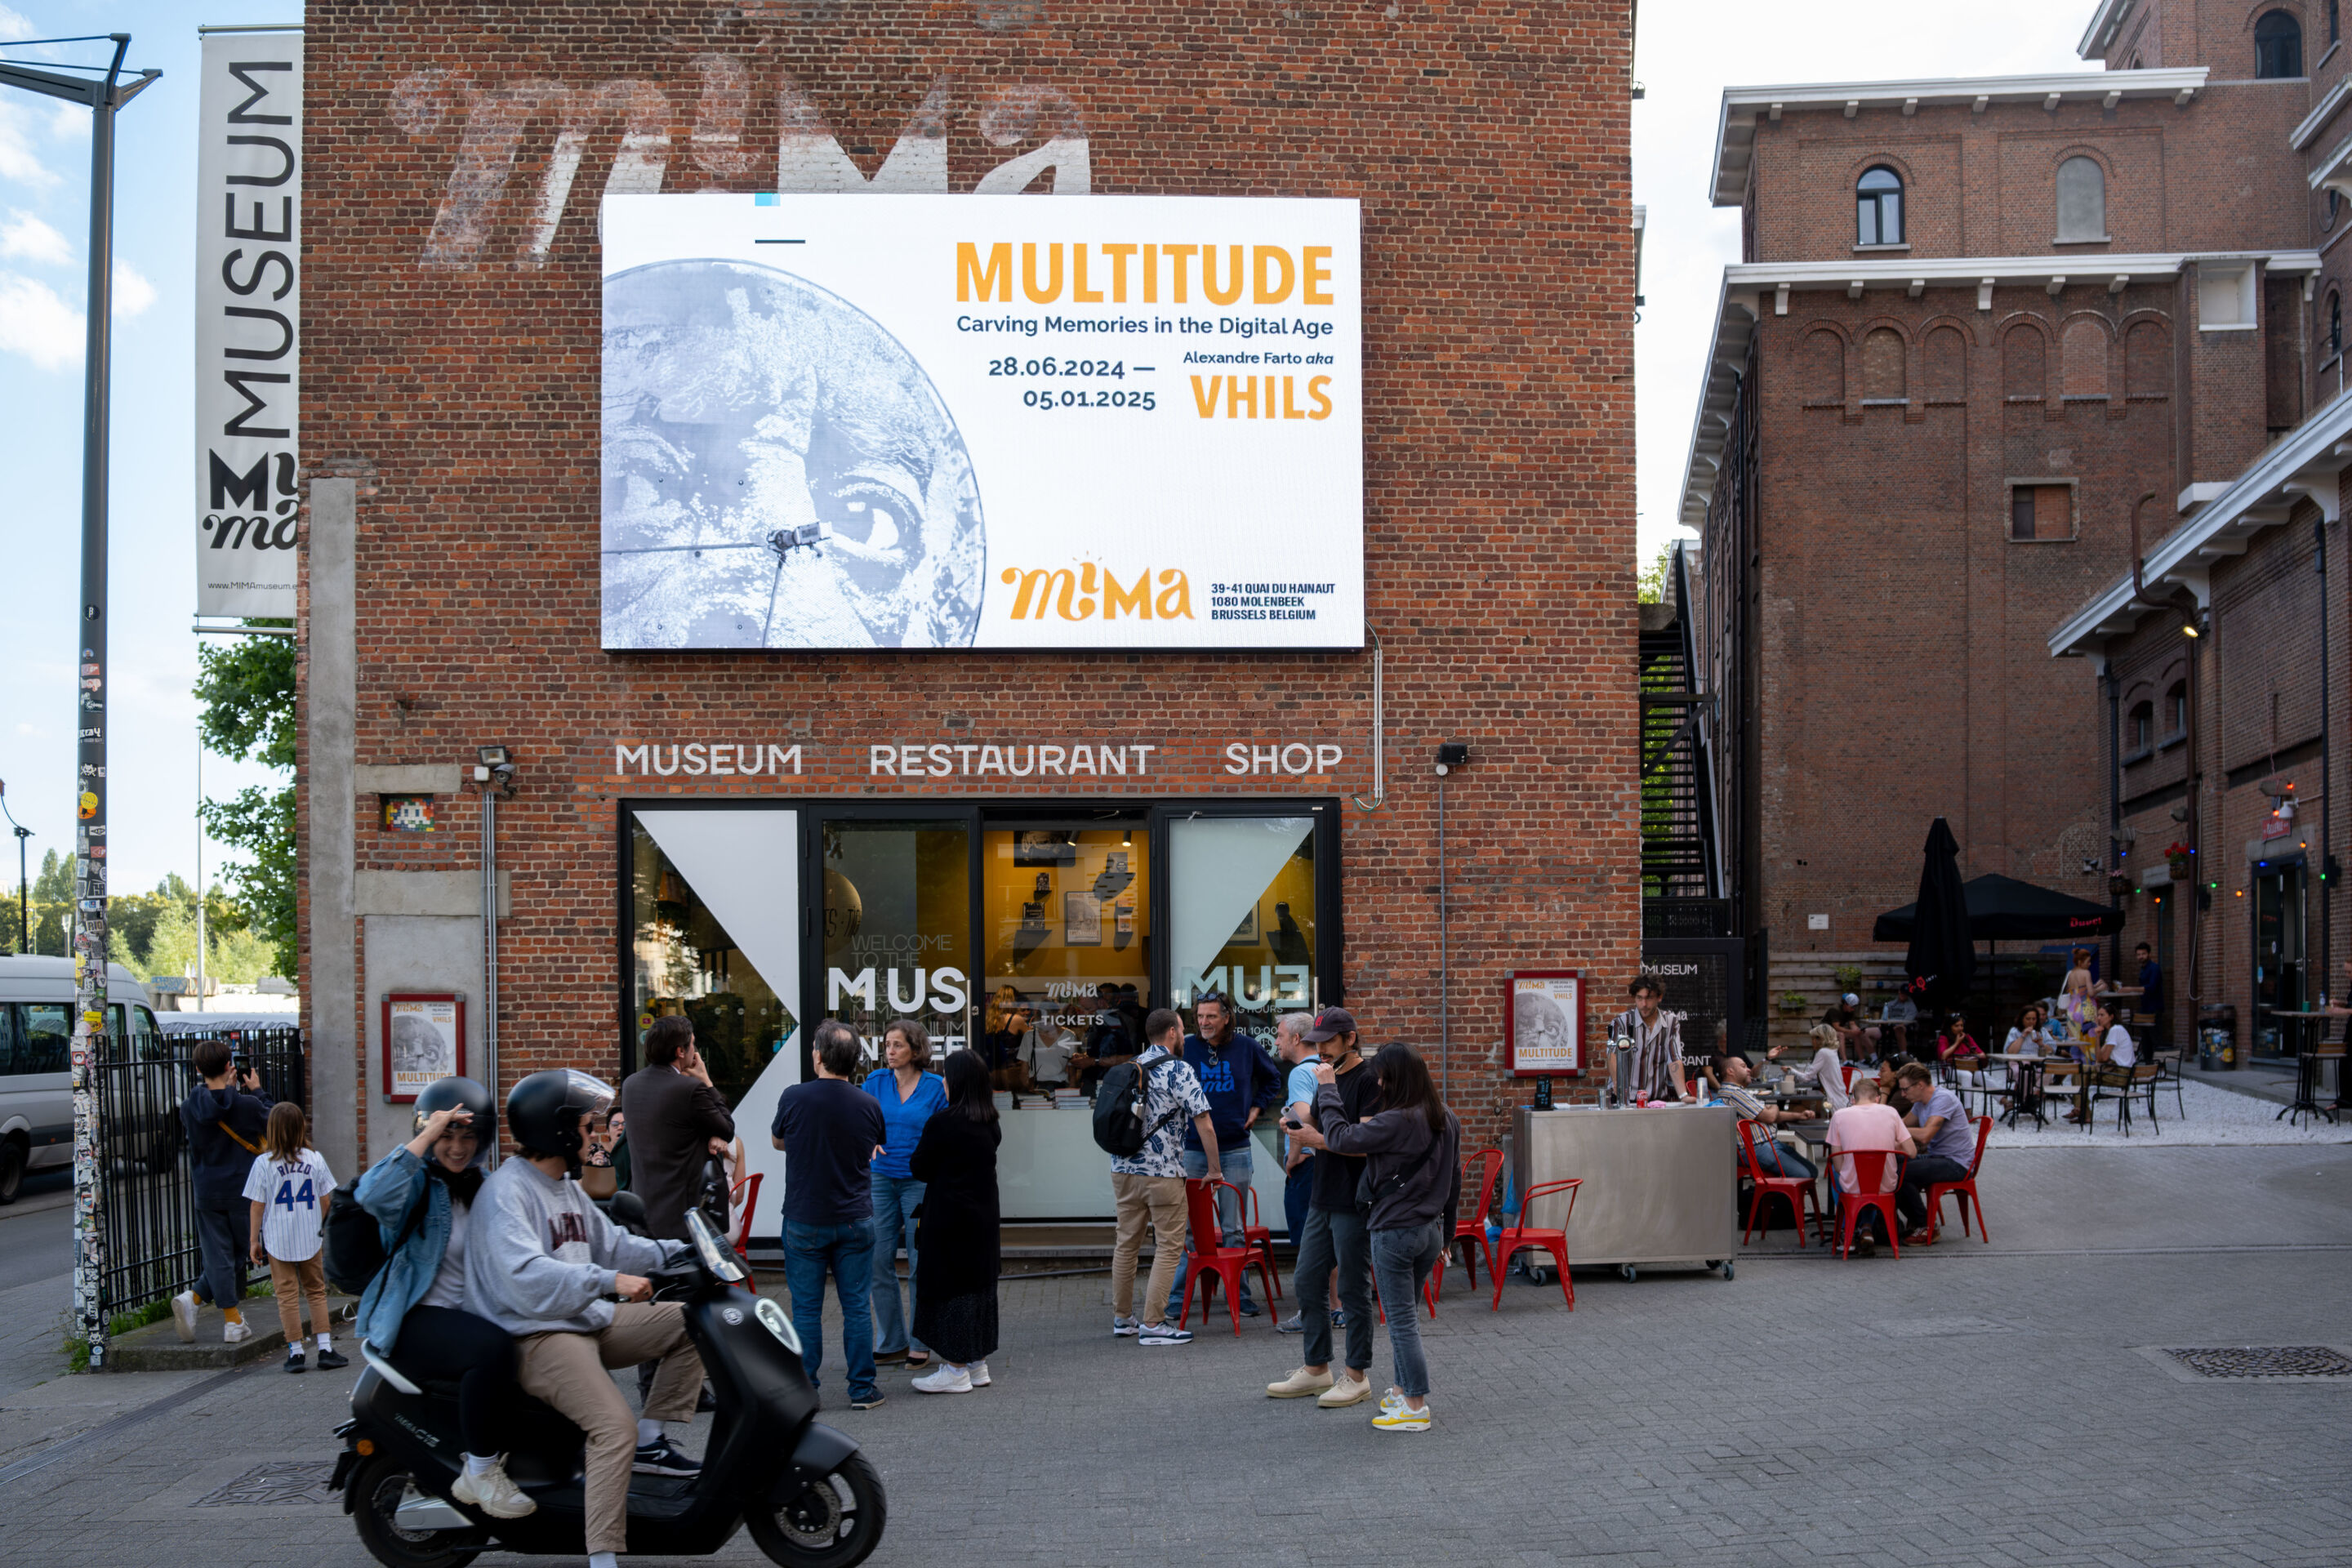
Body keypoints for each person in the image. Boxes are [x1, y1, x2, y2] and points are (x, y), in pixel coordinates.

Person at [470, 1069, 706, 1568]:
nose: (593, 1134)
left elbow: (613, 1243)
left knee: (693, 1321)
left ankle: (652, 1441)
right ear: (556, 1131)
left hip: (585, 1319)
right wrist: (609, 1281)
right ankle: (602, 1556)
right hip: (541, 1334)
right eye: (585, 1125)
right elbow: (527, 1276)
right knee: (612, 1427)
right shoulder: (507, 1192)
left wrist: (683, 1250)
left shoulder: (565, 1186)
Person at [353, 1076, 534, 1521]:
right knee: (492, 1349)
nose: (457, 1148)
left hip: (467, 1317)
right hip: (414, 1319)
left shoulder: (485, 1184)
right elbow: (370, 1195)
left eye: (467, 1136)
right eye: (446, 1136)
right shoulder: (416, 1185)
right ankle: (481, 1470)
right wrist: (425, 1134)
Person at [1282, 1044, 1461, 1432]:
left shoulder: (1395, 1119)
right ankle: (1401, 1391)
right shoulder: (1445, 1116)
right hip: (1429, 1232)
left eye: (1382, 1078)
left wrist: (1328, 1088)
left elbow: (1342, 1138)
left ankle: (1414, 1407)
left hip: (1395, 1230)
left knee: (1401, 1322)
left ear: (1397, 1079)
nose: (1378, 1084)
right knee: (1407, 1317)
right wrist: (1447, 1235)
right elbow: (1454, 1179)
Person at [1264, 1007, 1380, 1406]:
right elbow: (1314, 1121)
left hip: (1353, 1198)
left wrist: (1316, 1140)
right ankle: (1317, 1368)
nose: (1321, 1049)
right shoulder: (1326, 1075)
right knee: (1307, 1280)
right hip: (1322, 1195)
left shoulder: (1369, 1079)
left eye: (1329, 1041)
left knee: (1352, 1288)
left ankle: (1357, 1375)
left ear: (1350, 1039)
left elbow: (1364, 1141)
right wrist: (1295, 1128)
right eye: (1317, 1042)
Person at [772, 1019, 889, 1409]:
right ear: (855, 1061)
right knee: (856, 1307)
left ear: (818, 1056)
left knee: (806, 1309)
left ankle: (806, 1389)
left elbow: (777, 1141)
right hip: (855, 1218)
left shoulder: (794, 1097)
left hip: (804, 1218)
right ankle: (862, 1389)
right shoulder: (869, 1103)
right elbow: (874, 1145)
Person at [1164, 991, 1283, 1322]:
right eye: (1200, 1016)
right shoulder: (1186, 1047)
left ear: (1227, 1017)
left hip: (1235, 1147)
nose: (1204, 1022)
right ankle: (1177, 1299)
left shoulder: (1247, 1047)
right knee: (1189, 1230)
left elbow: (1273, 1078)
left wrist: (1257, 1107)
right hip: (1192, 1148)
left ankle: (1240, 1296)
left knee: (1234, 1229)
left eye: (1211, 1016)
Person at [1107, 1007, 1218, 1348]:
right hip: (1163, 1172)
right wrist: (1214, 1169)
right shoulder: (1178, 1069)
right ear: (1172, 1032)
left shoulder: (1131, 1066)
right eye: (1182, 1030)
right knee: (1169, 1245)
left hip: (1123, 1169)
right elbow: (1204, 1122)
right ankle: (1154, 1324)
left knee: (1126, 1243)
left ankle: (1123, 1319)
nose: (1184, 1036)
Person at [907, 1049, 1001, 1395]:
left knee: (951, 1289)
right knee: (979, 1287)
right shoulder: (990, 1121)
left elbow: (919, 1167)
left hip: (949, 1219)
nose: (943, 1081)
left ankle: (955, 1369)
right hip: (983, 1216)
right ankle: (977, 1364)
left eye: (947, 1076)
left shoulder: (943, 1123)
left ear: (958, 1082)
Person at [862, 1019, 947, 1371]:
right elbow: (860, 1121)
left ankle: (920, 1342)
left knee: (920, 1262)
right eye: (887, 1045)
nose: (890, 1051)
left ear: (916, 1048)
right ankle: (892, 1341)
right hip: (880, 1180)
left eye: (897, 1045)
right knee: (876, 1259)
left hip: (920, 1183)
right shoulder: (874, 1082)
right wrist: (866, 1141)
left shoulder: (935, 1087)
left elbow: (946, 1132)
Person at [172, 1040, 270, 1344]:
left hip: (207, 1191)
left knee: (219, 1255)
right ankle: (231, 1320)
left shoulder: (189, 1107)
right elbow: (276, 1120)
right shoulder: (248, 1106)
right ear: (230, 1066)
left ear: (198, 1069)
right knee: (240, 1253)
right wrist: (257, 1090)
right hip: (242, 1191)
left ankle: (195, 1299)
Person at [243, 1101, 344, 1374]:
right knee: (316, 1290)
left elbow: (257, 1205)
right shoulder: (315, 1159)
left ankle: (296, 1352)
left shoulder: (263, 1164)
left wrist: (254, 1240)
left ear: (272, 1130)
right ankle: (325, 1348)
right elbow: (326, 1200)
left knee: (286, 1295)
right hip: (310, 1235)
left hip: (279, 1239)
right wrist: (325, 1226)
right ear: (301, 1127)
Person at [619, 1015, 736, 1241]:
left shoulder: (631, 1084)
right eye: (692, 1044)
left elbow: (671, 1128)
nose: (695, 1051)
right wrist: (706, 1081)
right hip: (683, 1219)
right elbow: (727, 1128)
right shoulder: (689, 1089)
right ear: (680, 1051)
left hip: (645, 1211)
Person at [1824, 1074, 1915, 1256]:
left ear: (1853, 1099)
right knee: (1870, 1178)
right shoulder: (1891, 1113)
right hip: (1886, 1185)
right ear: (1878, 1098)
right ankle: (1866, 1228)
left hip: (1853, 1187)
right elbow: (1912, 1152)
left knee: (1836, 1173)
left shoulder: (1839, 1116)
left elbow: (1839, 1165)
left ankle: (1846, 1231)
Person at [1270, 1010, 1321, 1334]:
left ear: (1296, 1039)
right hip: (1328, 1162)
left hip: (1308, 1165)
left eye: (1280, 1036)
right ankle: (1334, 1308)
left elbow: (1301, 1118)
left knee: (1308, 1243)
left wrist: (1293, 1157)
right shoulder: (1327, 1067)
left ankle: (1310, 1311)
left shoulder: (1300, 1073)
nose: (1276, 1042)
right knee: (1326, 1241)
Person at [1893, 1062, 1974, 1244]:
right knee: (1890, 1167)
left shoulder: (1942, 1099)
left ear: (1920, 1085)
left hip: (1957, 1164)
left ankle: (1925, 1225)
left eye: (1905, 1089)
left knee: (1898, 1173)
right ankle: (1910, 1220)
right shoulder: (1920, 1102)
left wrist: (1897, 1131)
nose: (1903, 1094)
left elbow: (1925, 1136)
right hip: (1939, 1157)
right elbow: (1903, 1123)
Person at [1714, 1051, 1816, 1180]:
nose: (1748, 1069)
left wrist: (1799, 1115)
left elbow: (1770, 1115)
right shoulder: (1733, 1093)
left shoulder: (1737, 1092)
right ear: (1730, 1071)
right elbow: (1770, 1117)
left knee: (1812, 1171)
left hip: (1766, 1145)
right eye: (1743, 1066)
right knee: (1804, 1175)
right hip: (1755, 1149)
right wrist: (1774, 1105)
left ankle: (1775, 1193)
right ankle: (1772, 1194)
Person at [1609, 973, 1687, 1101]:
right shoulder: (1623, 1022)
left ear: (1659, 997)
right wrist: (1618, 1085)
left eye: (1649, 998)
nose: (1643, 1004)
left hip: (1657, 1100)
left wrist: (1683, 1095)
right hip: (1626, 1099)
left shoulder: (1670, 1022)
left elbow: (1674, 1059)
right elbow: (1613, 1055)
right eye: (1639, 998)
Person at [2071, 999, 2138, 1125]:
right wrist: (2097, 1037)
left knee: (2080, 1072)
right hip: (2118, 1072)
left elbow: (2103, 1058)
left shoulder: (2115, 1030)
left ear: (2111, 1017)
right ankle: (2082, 1112)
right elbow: (2099, 1058)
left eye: (2102, 1015)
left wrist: (2097, 1039)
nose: (2099, 1018)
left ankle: (2081, 1111)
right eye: (2098, 1015)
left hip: (2120, 1075)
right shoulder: (2113, 1031)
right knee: (2079, 1071)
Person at [1018, 1010, 1084, 1094]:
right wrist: (1029, 1087)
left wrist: (1071, 1090)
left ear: (1056, 1018)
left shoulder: (1068, 1036)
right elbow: (1024, 1071)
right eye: (1043, 1019)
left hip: (1060, 1086)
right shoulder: (1029, 1036)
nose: (1046, 1023)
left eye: (1049, 1020)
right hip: (1036, 1087)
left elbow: (1072, 1069)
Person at [1800, 1022, 1850, 1111]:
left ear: (1820, 1039)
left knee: (1797, 1103)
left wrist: (1790, 1070)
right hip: (1841, 1100)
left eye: (1813, 1039)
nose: (1812, 1042)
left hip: (1832, 1102)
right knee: (1798, 1104)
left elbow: (1806, 1078)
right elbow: (1815, 1075)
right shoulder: (1832, 1051)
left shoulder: (1823, 1053)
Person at [2059, 946, 2098, 1037]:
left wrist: (2096, 986)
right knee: (2089, 1038)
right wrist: (2100, 988)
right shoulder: (2086, 973)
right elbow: (2091, 993)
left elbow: (2076, 991)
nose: (2090, 964)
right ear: (2080, 962)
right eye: (2088, 961)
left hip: (2072, 1009)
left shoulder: (2070, 974)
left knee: (2075, 1038)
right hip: (2086, 1009)